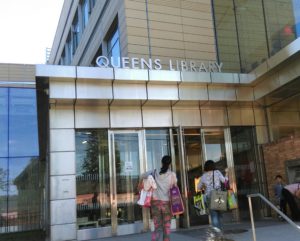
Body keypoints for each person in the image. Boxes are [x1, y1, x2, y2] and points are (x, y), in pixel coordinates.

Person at [140, 155, 177, 241]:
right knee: (167, 226)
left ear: (161, 162)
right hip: (167, 203)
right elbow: (174, 187)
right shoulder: (172, 175)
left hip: (155, 203)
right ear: (170, 164)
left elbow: (142, 176)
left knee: (157, 227)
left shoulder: (154, 172)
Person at [197, 160, 228, 233]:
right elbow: (224, 181)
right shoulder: (217, 172)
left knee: (214, 216)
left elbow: (198, 188)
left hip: (209, 196)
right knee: (220, 215)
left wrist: (204, 186)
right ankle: (221, 234)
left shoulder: (203, 176)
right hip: (218, 195)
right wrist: (227, 173)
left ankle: (217, 235)